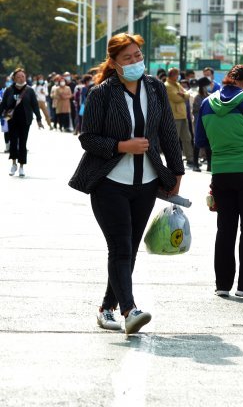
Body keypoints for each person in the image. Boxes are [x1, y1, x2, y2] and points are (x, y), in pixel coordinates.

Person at [69, 33, 184, 335]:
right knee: (119, 247)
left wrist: (176, 173)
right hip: (109, 183)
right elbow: (88, 138)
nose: (135, 62)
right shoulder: (102, 94)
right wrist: (122, 146)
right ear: (114, 63)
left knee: (129, 249)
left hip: (146, 183)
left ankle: (106, 307)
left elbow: (169, 133)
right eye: (127, 58)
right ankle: (129, 310)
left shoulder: (156, 88)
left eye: (137, 55)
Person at [195, 64, 243, 300]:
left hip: (221, 170)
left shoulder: (207, 103)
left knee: (225, 228)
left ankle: (222, 284)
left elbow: (200, 139)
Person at [3, 68, 43, 177]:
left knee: (22, 143)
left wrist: (39, 119)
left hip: (25, 120)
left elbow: (35, 105)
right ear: (14, 78)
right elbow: (3, 105)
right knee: (13, 142)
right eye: (19, 76)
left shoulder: (29, 90)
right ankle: (13, 164)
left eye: (23, 76)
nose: (21, 78)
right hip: (11, 120)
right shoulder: (9, 90)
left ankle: (21, 166)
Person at [165, 68, 197, 171]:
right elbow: (176, 98)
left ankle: (190, 158)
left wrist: (183, 95)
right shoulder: (167, 86)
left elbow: (187, 95)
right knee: (175, 139)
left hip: (183, 115)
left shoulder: (177, 84)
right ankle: (174, 159)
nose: (178, 76)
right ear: (172, 75)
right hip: (174, 115)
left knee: (187, 138)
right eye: (177, 74)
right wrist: (184, 95)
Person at [192, 77, 214, 172]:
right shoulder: (198, 97)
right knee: (197, 143)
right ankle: (195, 164)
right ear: (203, 86)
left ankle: (209, 165)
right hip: (199, 122)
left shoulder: (210, 95)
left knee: (208, 144)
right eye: (208, 85)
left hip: (208, 123)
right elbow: (195, 111)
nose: (209, 86)